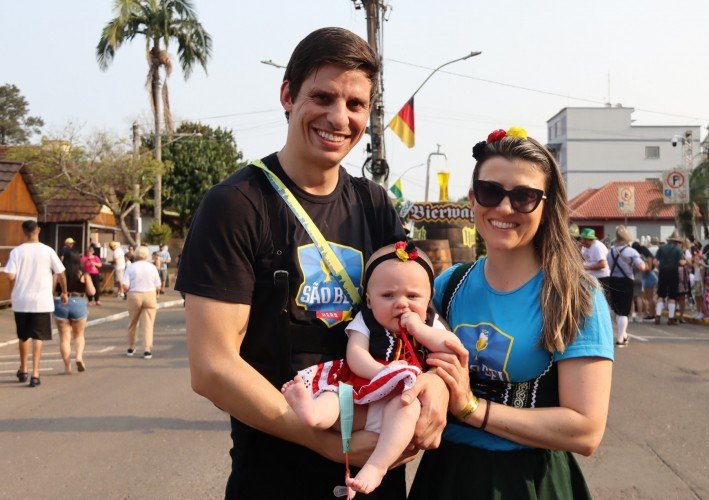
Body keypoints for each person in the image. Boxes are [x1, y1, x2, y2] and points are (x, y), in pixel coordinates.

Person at [176, 27, 447, 498]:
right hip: (275, 477)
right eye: (322, 96)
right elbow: (213, 366)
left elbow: (421, 314)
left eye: (356, 104)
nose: (339, 118)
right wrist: (330, 445)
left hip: (376, 480)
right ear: (287, 95)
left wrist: (439, 389)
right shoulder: (236, 204)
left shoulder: (375, 204)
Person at [408, 127, 614, 499]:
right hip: (447, 474)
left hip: (529, 480)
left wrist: (471, 408)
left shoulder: (575, 295)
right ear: (472, 198)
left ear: (546, 206)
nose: (504, 208)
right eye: (491, 192)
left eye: (524, 197)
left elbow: (585, 430)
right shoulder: (447, 286)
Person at [282, 242, 461, 495]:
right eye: (388, 296)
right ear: (368, 299)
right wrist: (381, 373)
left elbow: (451, 346)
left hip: (398, 400)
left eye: (412, 296)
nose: (401, 304)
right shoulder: (365, 321)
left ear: (428, 299)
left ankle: (376, 467)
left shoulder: (430, 323)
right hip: (362, 388)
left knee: (406, 410)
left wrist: (419, 329)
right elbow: (355, 354)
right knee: (334, 398)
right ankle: (313, 413)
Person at [4, 220, 68, 387]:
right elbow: (61, 273)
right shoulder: (48, 251)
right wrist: (65, 292)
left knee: (23, 336)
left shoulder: (17, 252)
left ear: (23, 231)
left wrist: (15, 286)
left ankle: (23, 369)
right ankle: (35, 373)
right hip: (42, 301)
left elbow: (10, 275)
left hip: (21, 300)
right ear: (38, 230)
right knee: (38, 336)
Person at [54, 252, 95, 373]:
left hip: (61, 304)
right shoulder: (83, 273)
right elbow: (92, 292)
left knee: (64, 338)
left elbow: (50, 290)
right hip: (79, 303)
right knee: (79, 335)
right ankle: (78, 357)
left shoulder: (58, 273)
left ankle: (67, 367)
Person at [606, 226, 646, 346]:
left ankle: (623, 335)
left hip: (612, 280)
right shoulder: (631, 252)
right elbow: (642, 267)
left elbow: (608, 265)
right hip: (626, 281)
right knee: (624, 311)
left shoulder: (610, 252)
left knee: (617, 309)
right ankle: (620, 339)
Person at [122, 246, 161, 359]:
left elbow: (125, 285)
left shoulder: (130, 267)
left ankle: (130, 347)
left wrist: (127, 291)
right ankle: (147, 349)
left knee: (133, 322)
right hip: (149, 294)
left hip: (134, 294)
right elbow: (158, 285)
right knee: (148, 324)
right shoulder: (152, 267)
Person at [654, 230, 687, 325]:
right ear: (677, 241)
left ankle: (658, 315)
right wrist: (686, 262)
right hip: (673, 272)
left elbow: (655, 261)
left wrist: (659, 267)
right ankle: (671, 318)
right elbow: (681, 262)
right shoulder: (678, 250)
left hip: (663, 272)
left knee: (661, 294)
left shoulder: (661, 248)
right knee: (672, 296)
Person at [579, 227, 610, 295]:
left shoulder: (597, 247)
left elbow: (602, 264)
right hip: (592, 277)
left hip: (601, 278)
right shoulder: (586, 247)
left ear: (587, 239)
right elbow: (583, 259)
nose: (582, 241)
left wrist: (586, 267)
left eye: (583, 239)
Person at [631, 240, 655, 322]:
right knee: (640, 297)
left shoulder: (633, 256)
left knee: (633, 298)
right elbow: (648, 268)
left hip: (634, 277)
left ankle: (633, 314)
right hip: (641, 277)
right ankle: (642, 314)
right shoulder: (643, 257)